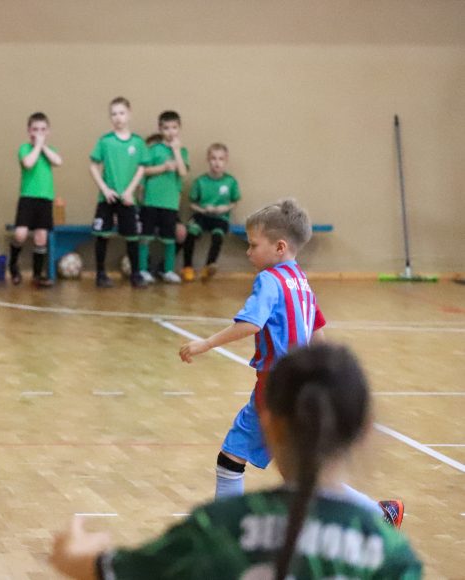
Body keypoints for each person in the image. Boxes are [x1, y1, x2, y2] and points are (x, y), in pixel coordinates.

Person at [51, 343, 422, 579]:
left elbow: (112, 571)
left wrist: (77, 551)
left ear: (268, 424)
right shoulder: (392, 556)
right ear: (365, 430)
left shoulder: (217, 527)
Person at [178, 199, 402, 524]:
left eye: (253, 245)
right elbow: (317, 330)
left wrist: (206, 343)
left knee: (232, 458)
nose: (248, 252)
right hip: (301, 384)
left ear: (280, 247)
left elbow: (251, 323)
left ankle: (224, 528)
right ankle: (377, 512)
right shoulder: (301, 280)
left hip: (275, 386)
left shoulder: (269, 280)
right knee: (300, 472)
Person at [88, 97, 149, 288]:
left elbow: (142, 168)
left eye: (121, 113)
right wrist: (105, 189)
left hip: (127, 198)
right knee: (102, 235)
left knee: (132, 236)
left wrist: (130, 191)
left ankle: (136, 274)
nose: (118, 117)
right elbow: (93, 166)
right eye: (113, 114)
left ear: (129, 114)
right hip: (108, 197)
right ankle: (100, 274)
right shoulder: (105, 141)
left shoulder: (138, 142)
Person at [9, 112, 63, 287]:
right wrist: (38, 146)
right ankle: (13, 265)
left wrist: (43, 146)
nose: (39, 133)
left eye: (43, 129)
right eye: (35, 129)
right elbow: (28, 163)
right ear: (29, 131)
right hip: (28, 198)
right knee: (20, 234)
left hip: (45, 199)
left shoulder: (50, 150)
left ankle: (37, 275)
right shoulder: (25, 149)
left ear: (48, 131)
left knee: (41, 237)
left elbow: (58, 161)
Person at [136, 111, 188, 284]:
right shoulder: (153, 150)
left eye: (174, 127)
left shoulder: (182, 151)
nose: (170, 131)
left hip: (170, 203)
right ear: (160, 129)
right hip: (151, 201)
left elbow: (183, 172)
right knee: (146, 237)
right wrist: (163, 167)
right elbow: (144, 170)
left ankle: (168, 270)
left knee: (169, 238)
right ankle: (143, 270)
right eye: (166, 128)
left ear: (179, 128)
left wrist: (176, 151)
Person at [181, 143, 239, 282]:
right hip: (202, 215)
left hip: (220, 217)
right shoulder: (200, 181)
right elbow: (192, 203)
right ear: (208, 159)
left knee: (217, 236)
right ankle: (187, 267)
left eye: (221, 159)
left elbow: (235, 201)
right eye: (213, 158)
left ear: (226, 160)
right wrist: (203, 209)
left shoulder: (230, 181)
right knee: (191, 233)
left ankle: (209, 267)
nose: (217, 162)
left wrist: (224, 208)